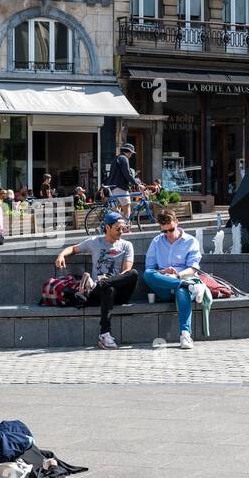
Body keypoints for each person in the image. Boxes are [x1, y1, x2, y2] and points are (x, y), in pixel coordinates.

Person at [55, 211, 137, 350]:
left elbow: (126, 271)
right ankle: (104, 334)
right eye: (118, 228)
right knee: (107, 289)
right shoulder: (95, 242)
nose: (121, 231)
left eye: (123, 228)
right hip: (99, 292)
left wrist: (109, 280)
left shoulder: (126, 245)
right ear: (107, 227)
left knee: (133, 274)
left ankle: (102, 283)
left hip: (119, 290)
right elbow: (73, 248)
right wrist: (61, 255)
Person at [142, 210, 203, 350]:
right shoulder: (156, 241)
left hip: (183, 279)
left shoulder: (191, 241)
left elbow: (193, 269)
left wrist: (177, 276)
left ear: (177, 222)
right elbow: (150, 269)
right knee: (147, 274)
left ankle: (185, 334)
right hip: (164, 285)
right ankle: (188, 286)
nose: (168, 234)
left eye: (171, 229)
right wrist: (163, 272)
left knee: (181, 291)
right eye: (164, 231)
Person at [105, 143, 143, 219]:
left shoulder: (117, 158)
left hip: (113, 187)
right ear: (129, 152)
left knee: (116, 211)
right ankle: (125, 227)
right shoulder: (124, 158)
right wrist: (137, 184)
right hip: (120, 187)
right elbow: (127, 174)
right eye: (131, 153)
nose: (131, 155)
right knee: (127, 208)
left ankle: (115, 226)